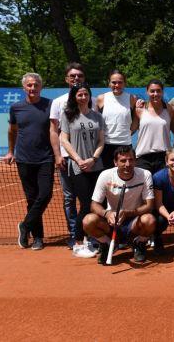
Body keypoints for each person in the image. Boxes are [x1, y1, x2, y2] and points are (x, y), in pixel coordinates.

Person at [4, 73, 54, 251]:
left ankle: (25, 226)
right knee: (32, 199)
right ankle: (38, 237)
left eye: (36, 85)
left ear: (41, 87)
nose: (33, 88)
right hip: (24, 159)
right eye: (29, 85)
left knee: (46, 194)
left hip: (46, 158)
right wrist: (11, 151)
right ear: (24, 88)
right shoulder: (16, 108)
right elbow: (12, 131)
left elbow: (55, 132)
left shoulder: (50, 105)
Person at [83, 146, 156, 264]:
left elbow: (149, 205)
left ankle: (138, 243)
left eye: (131, 160)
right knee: (88, 221)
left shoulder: (145, 174)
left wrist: (128, 213)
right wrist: (107, 214)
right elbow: (94, 205)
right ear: (115, 162)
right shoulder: (105, 175)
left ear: (135, 161)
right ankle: (106, 244)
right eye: (123, 161)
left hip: (134, 222)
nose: (127, 164)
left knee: (149, 220)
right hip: (111, 222)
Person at [60, 83, 106, 258]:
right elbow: (64, 140)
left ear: (89, 96)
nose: (83, 97)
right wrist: (78, 159)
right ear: (74, 97)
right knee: (86, 205)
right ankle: (78, 243)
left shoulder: (97, 116)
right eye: (79, 94)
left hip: (96, 166)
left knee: (98, 205)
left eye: (85, 94)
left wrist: (93, 159)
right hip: (78, 167)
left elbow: (101, 141)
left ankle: (92, 240)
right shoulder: (68, 116)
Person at [49, 62, 85, 248]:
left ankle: (87, 233)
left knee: (88, 198)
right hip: (66, 158)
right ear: (67, 79)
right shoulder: (58, 102)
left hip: (86, 160)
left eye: (79, 76)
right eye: (73, 76)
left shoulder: (90, 100)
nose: (76, 79)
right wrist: (57, 154)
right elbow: (54, 131)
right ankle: (73, 234)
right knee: (70, 197)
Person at [96, 69, 137, 169]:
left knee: (125, 174)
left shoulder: (132, 98)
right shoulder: (101, 98)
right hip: (106, 145)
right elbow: (96, 121)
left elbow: (136, 120)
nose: (117, 85)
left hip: (125, 144)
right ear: (109, 83)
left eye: (120, 82)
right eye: (114, 82)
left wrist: (129, 132)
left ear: (124, 83)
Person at [134, 80, 172, 174]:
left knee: (160, 188)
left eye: (158, 91)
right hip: (143, 157)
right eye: (152, 91)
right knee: (144, 188)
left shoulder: (170, 109)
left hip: (163, 157)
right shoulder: (140, 110)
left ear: (162, 92)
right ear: (147, 92)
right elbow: (132, 129)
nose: (155, 93)